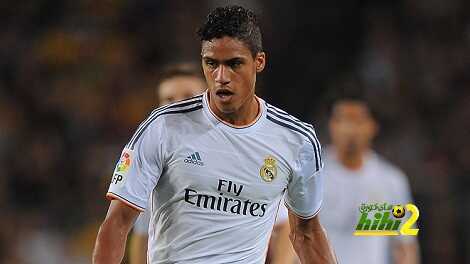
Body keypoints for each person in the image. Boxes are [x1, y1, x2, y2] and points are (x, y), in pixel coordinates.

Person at [93, 5, 337, 264]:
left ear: (259, 62)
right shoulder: (164, 126)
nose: (221, 77)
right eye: (211, 64)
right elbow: (117, 223)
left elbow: (306, 234)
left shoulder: (296, 141)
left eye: (234, 64)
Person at [318, 94, 420, 264]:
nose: (350, 129)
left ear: (372, 126)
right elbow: (290, 237)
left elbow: (405, 245)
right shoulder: (309, 176)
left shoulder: (391, 181)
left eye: (358, 121)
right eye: (343, 120)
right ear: (332, 125)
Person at [129, 63, 207, 264]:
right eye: (169, 99)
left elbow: (283, 223)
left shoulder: (237, 149)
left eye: (188, 97)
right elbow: (143, 233)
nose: (177, 105)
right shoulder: (151, 159)